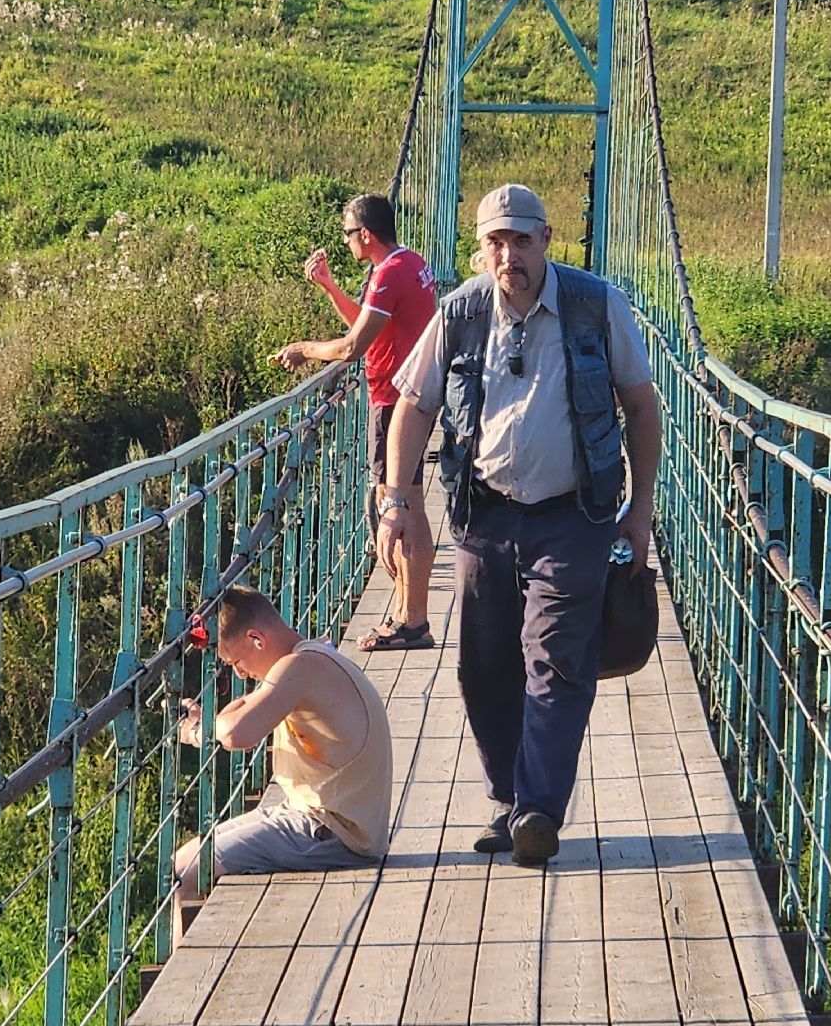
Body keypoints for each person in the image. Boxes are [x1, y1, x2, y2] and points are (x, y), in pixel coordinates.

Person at [377, 183, 662, 867]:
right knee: (484, 668)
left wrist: (642, 508)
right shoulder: (462, 311)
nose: (510, 255)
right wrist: (398, 501)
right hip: (484, 514)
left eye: (522, 240)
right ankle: (509, 800)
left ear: (547, 239)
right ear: (481, 248)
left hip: (576, 515)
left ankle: (538, 809)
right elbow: (412, 408)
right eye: (496, 243)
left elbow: (642, 407)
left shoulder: (598, 305)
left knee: (556, 661)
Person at [170, 585, 392, 944]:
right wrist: (212, 723)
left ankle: (181, 986)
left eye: (236, 662)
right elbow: (234, 716)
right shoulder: (311, 656)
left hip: (330, 830)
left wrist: (198, 728)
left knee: (184, 872)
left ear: (256, 638)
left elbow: (238, 734)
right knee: (187, 856)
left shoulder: (298, 668)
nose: (240, 674)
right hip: (331, 818)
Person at [271, 193, 438, 651]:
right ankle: (410, 615)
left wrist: (304, 349)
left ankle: (412, 621)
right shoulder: (408, 263)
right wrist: (328, 285)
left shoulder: (388, 274)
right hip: (411, 394)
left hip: (392, 401)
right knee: (410, 503)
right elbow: (368, 326)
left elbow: (350, 348)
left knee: (401, 504)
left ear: (365, 234)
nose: (345, 242)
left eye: (347, 233)